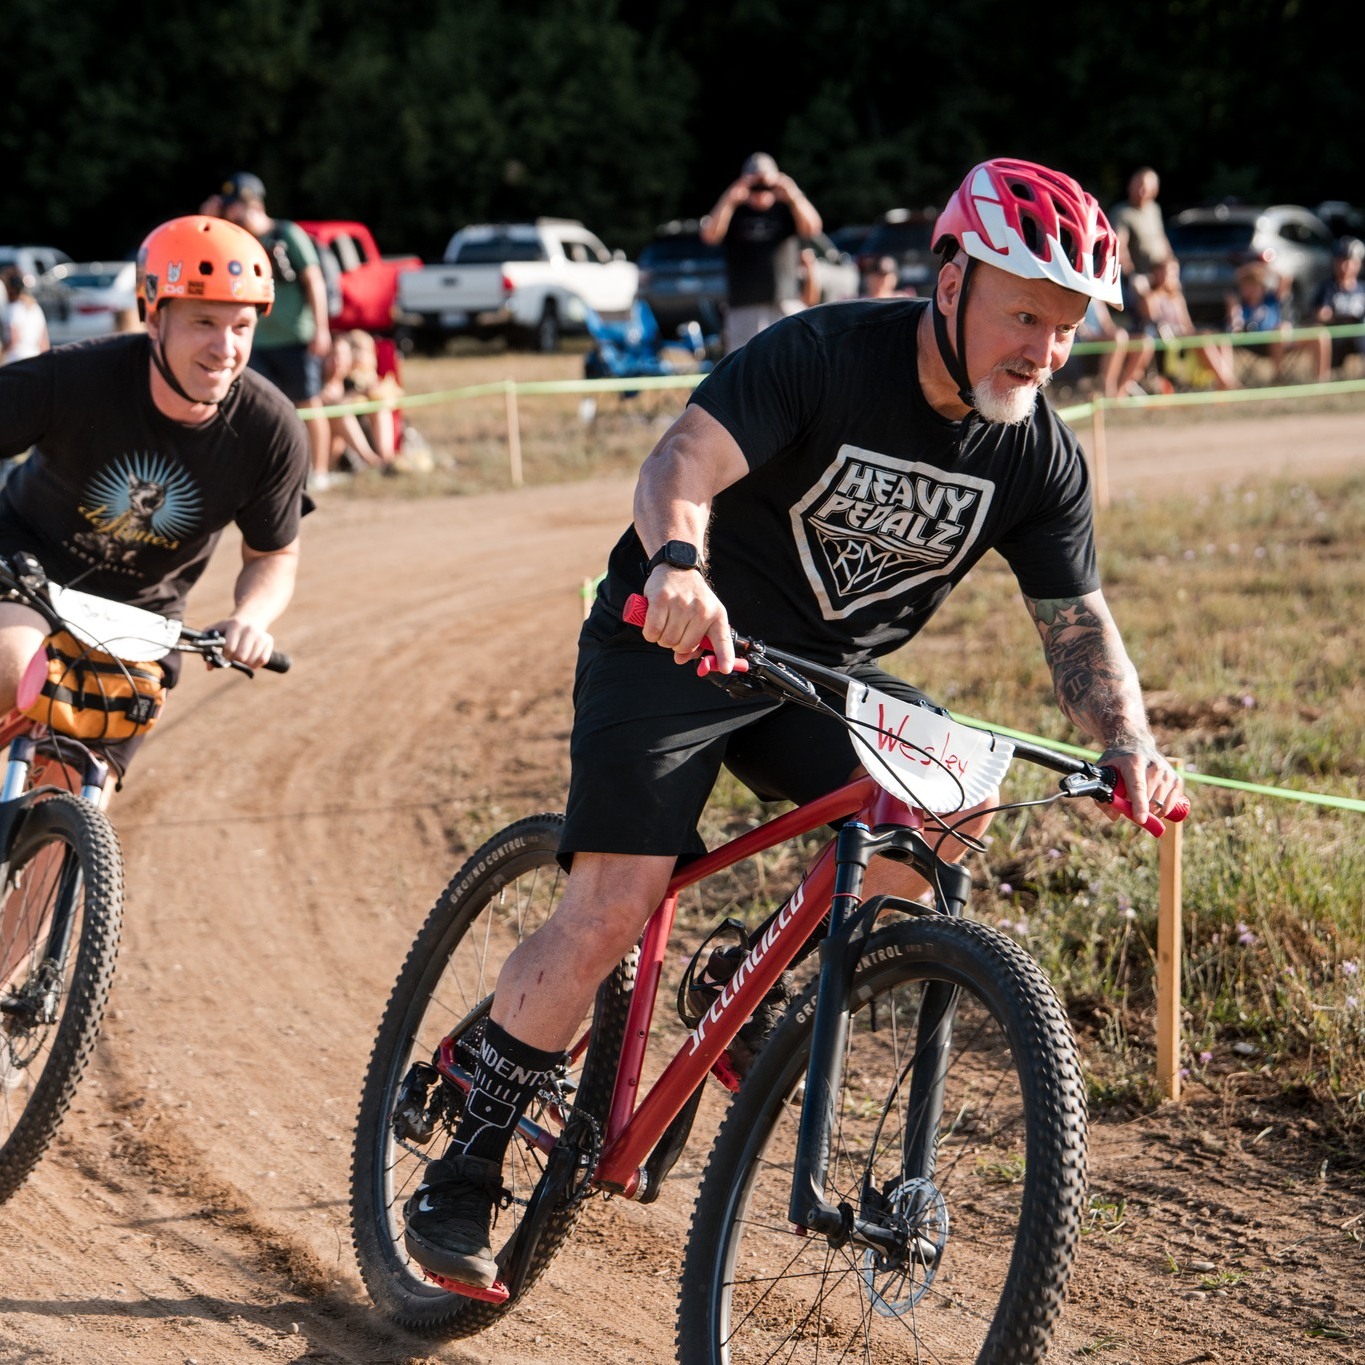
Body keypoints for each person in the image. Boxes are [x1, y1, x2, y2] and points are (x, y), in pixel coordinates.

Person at [399, 156, 1186, 1290]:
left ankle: (744, 986)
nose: (1045, 351)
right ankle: (466, 1165)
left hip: (816, 676)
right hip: (671, 643)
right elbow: (682, 461)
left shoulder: (1035, 451)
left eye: (1067, 329)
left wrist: (1129, 744)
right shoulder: (823, 355)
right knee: (617, 897)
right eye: (1026, 316)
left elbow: (1077, 624)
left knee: (952, 798)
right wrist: (679, 563)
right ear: (950, 279)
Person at [0, 214, 309, 778]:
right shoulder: (77, 378)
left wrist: (250, 618)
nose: (225, 348)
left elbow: (273, 555)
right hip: (27, 565)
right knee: (10, 664)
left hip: (142, 614)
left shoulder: (271, 429)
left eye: (242, 326)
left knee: (71, 791)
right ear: (153, 314)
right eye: (203, 322)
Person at [215, 172, 333, 490]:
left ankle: (318, 472)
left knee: (308, 405)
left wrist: (321, 329)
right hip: (258, 342)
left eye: (234, 206)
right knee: (261, 410)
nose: (230, 214)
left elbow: (314, 281)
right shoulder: (238, 241)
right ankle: (269, 472)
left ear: (252, 203)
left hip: (295, 338)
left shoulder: (287, 234)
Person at [700, 152, 822, 353]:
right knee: (741, 365)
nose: (760, 192)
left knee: (792, 360)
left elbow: (813, 228)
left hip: (784, 300)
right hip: (743, 304)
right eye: (755, 186)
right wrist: (729, 198)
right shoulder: (734, 211)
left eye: (766, 185)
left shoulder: (786, 209)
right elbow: (710, 236)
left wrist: (793, 195)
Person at [1143, 257, 1238, 391]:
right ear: (1154, 274)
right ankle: (1226, 383)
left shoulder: (1176, 297)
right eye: (1165, 272)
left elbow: (1187, 324)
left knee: (1222, 340)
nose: (1169, 276)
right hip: (1167, 340)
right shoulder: (1150, 297)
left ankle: (1225, 381)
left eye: (1172, 273)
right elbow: (1154, 323)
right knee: (1201, 342)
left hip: (1184, 336)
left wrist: (1197, 333)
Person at [1110, 167, 1171, 325]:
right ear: (1130, 186)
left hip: (1161, 271)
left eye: (1146, 186)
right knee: (1143, 291)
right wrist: (1131, 273)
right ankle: (1156, 328)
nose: (1142, 190)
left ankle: (1186, 333)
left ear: (1154, 189)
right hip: (1140, 273)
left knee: (1175, 290)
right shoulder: (1122, 213)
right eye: (1138, 185)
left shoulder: (1154, 210)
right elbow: (1120, 246)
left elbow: (1161, 237)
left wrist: (1171, 262)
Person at [1311, 237, 1365, 381]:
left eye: (1350, 262)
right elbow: (1320, 314)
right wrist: (1331, 315)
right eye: (1341, 261)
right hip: (1335, 336)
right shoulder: (1328, 287)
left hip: (1359, 337)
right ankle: (1323, 379)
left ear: (1358, 264)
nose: (1345, 267)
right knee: (1321, 334)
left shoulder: (1362, 289)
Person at [1, 267, 51, 364]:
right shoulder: (36, 308)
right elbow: (44, 341)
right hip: (34, 358)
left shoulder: (14, 309)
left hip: (15, 360)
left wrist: (2, 354)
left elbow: (14, 338)